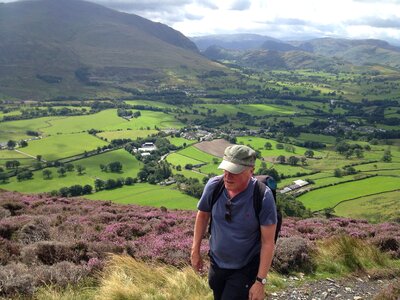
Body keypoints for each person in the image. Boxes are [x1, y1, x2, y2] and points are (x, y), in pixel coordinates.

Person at [191, 144, 277, 300]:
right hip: (217, 264)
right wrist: (195, 250)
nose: (228, 176)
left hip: (244, 268)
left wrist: (260, 282)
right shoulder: (214, 186)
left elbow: (268, 242)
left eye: (235, 172)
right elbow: (203, 215)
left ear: (251, 171)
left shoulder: (263, 196)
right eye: (225, 170)